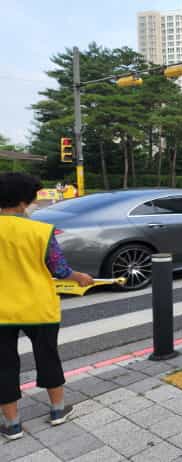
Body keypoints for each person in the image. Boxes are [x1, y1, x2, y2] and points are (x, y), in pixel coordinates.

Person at [0, 172, 94, 440]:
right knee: (47, 356)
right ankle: (57, 410)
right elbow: (61, 270)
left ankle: (12, 424)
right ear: (23, 201)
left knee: (3, 365)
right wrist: (81, 278)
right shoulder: (41, 231)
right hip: (39, 308)